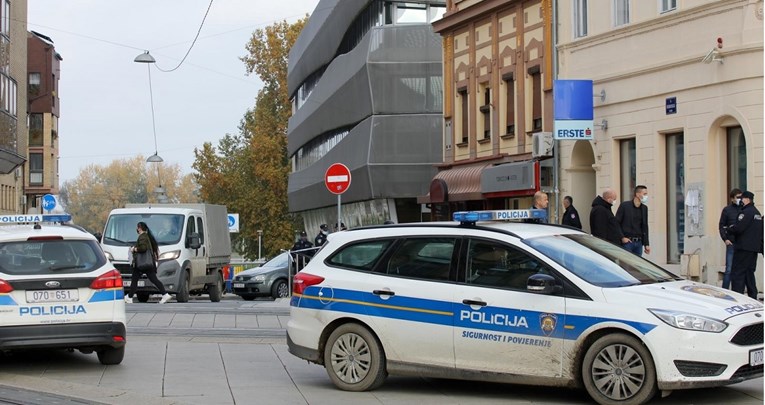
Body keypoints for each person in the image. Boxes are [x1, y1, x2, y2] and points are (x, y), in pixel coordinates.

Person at [726, 191, 763, 299]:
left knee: (738, 274)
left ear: (747, 199)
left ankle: (737, 297)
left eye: (742, 198)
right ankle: (752, 296)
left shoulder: (746, 212)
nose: (740, 200)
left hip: (743, 247)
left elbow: (739, 228)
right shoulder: (757, 213)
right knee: (749, 274)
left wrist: (729, 229)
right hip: (753, 249)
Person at [126, 222, 172, 304]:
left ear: (140, 228)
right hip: (146, 263)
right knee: (152, 279)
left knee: (135, 280)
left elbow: (143, 248)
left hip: (142, 263)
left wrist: (134, 249)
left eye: (137, 227)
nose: (137, 229)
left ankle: (129, 297)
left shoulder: (142, 237)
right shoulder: (146, 236)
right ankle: (165, 294)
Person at [615, 185, 651, 257]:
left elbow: (645, 226)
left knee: (636, 266)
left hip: (639, 243)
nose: (646, 196)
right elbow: (616, 223)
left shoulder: (644, 208)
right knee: (626, 265)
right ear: (637, 194)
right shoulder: (625, 206)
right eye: (644, 194)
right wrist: (622, 237)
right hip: (627, 242)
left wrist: (646, 244)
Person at [718, 188, 743, 289]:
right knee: (729, 269)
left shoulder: (743, 209)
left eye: (741, 197)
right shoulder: (727, 210)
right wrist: (725, 239)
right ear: (732, 198)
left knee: (741, 269)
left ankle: (738, 290)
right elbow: (721, 226)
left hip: (742, 243)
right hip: (731, 243)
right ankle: (725, 290)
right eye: (738, 197)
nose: (740, 199)